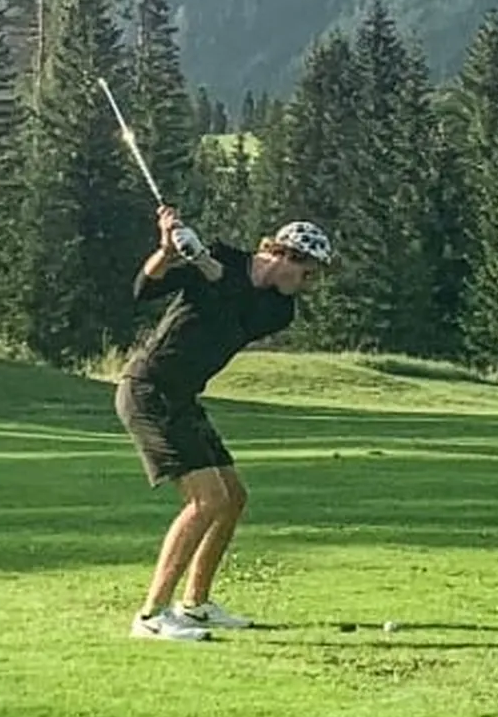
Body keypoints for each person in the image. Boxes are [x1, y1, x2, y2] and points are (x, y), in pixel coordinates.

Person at [115, 211, 335, 639]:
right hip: (150, 389)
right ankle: (151, 616)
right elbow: (144, 288)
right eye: (307, 273)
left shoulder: (278, 308)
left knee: (233, 497)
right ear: (285, 256)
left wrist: (209, 267)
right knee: (207, 501)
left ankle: (195, 605)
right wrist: (169, 251)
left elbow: (238, 310)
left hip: (184, 397)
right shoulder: (219, 259)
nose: (308, 284)